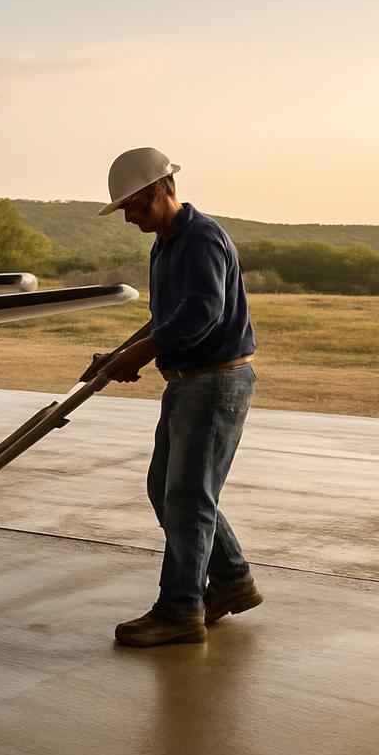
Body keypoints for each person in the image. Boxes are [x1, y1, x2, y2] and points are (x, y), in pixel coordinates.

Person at [95, 147, 262, 647]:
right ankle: (231, 580)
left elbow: (201, 317)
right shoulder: (166, 243)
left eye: (132, 205)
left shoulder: (201, 239)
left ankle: (180, 609)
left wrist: (142, 354)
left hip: (215, 382)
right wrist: (118, 356)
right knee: (168, 490)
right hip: (188, 381)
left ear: (158, 191)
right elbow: (167, 321)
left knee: (187, 497)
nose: (127, 216)